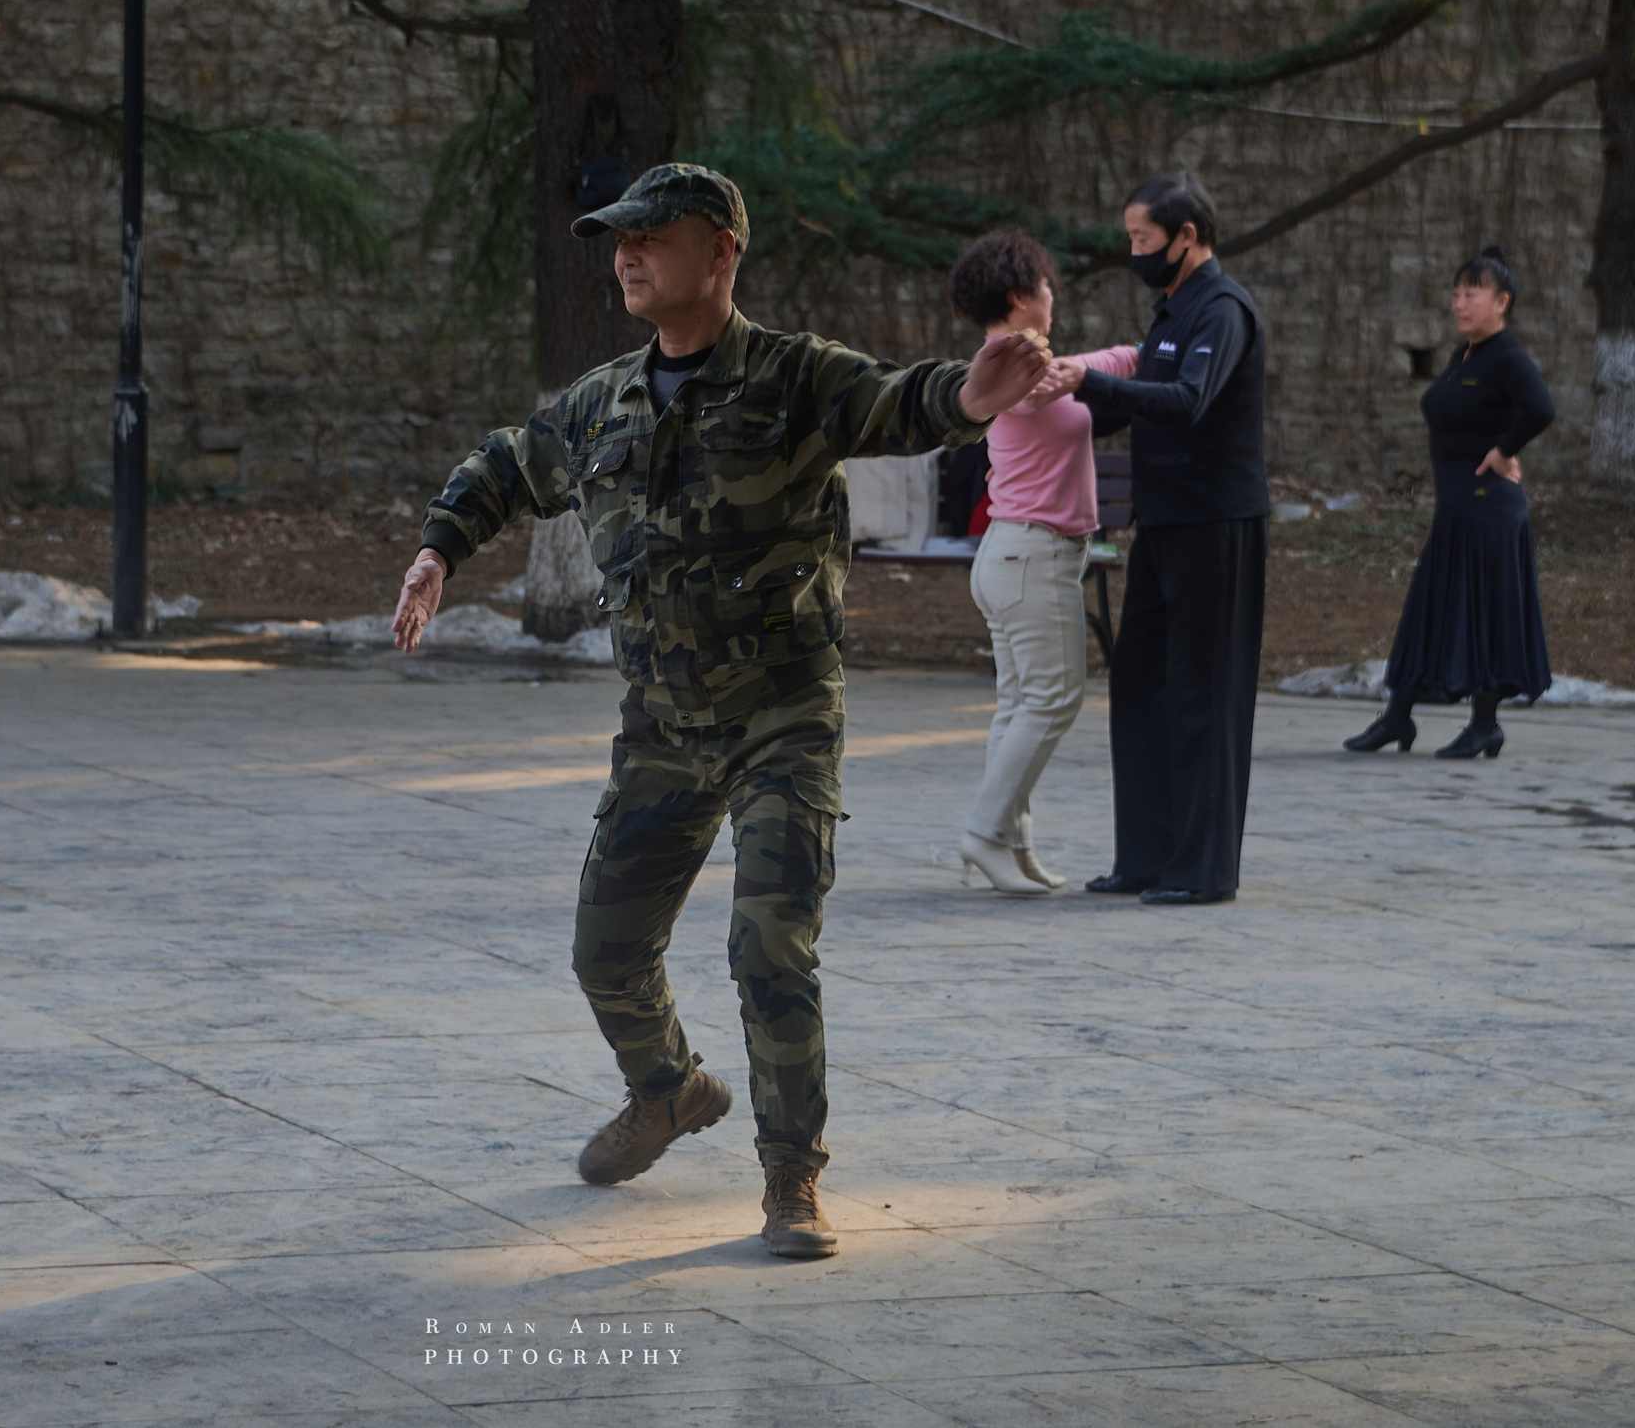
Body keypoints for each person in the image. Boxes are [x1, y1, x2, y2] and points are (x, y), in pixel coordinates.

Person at [390, 163, 1051, 1260]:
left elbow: (896, 400)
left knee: (769, 946)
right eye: (619, 239)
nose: (629, 255)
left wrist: (969, 399)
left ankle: (792, 1175)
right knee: (603, 950)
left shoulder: (794, 378)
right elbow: (508, 465)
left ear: (722, 251)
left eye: (653, 235)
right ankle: (668, 1089)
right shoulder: (601, 400)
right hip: (662, 725)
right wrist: (435, 549)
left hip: (781, 718)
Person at [1041, 171, 1266, 906]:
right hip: (1163, 526)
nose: (1133, 251)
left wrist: (1093, 385)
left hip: (1216, 524)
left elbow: (1188, 402)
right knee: (1140, 688)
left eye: (1142, 239)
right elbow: (1136, 405)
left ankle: (1202, 870)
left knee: (1203, 692)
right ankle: (1144, 857)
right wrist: (1057, 393)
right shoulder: (1170, 312)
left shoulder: (1222, 311)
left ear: (1187, 237)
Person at [944, 228, 1140, 897]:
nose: (1052, 294)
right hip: (1031, 554)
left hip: (1017, 553)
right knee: (1053, 698)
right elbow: (1052, 383)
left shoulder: (1022, 355)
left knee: (1022, 703)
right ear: (1018, 295)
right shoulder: (1014, 362)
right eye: (1045, 285)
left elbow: (1082, 367)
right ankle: (983, 832)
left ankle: (1009, 843)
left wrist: (1130, 356)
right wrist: (1129, 357)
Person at [1345, 246, 1556, 759]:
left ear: (1502, 301)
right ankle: (1397, 718)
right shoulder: (1467, 356)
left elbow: (1541, 408)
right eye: (1457, 293)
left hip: (1488, 510)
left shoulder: (1506, 357)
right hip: (1458, 509)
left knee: (1482, 614)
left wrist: (1503, 449)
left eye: (1473, 293)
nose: (1460, 303)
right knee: (1431, 611)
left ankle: (1485, 724)